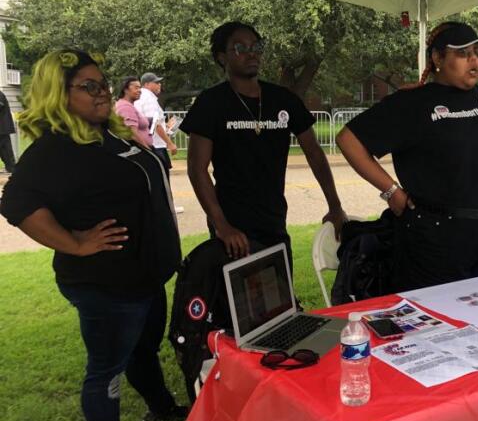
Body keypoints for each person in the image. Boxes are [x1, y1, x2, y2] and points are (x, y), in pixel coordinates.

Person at [0, 49, 186, 421]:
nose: (102, 92)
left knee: (142, 350)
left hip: (144, 276)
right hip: (106, 283)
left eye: (102, 83)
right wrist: (75, 242)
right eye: (88, 86)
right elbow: (15, 202)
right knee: (107, 370)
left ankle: (161, 406)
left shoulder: (109, 133)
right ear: (58, 93)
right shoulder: (56, 148)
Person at [336, 22, 478, 292]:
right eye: (462, 53)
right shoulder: (412, 103)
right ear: (437, 58)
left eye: (477, 52)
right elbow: (348, 140)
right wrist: (391, 192)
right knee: (441, 324)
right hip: (438, 238)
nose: (474, 60)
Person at [180, 21, 346, 263]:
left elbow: (314, 153)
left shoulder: (283, 100)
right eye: (240, 48)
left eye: (256, 46)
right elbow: (196, 168)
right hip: (232, 227)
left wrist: (335, 205)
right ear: (222, 57)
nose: (251, 53)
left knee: (280, 294)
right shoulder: (211, 103)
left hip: (274, 220)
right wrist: (221, 225)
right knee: (238, 297)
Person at [134, 72, 177, 175]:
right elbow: (154, 123)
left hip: (147, 144)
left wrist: (165, 126)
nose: (159, 84)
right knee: (161, 179)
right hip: (155, 146)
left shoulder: (141, 97)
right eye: (156, 82)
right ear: (147, 84)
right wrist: (170, 143)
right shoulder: (149, 99)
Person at [114, 76, 153, 148]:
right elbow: (132, 133)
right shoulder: (125, 107)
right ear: (125, 90)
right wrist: (148, 151)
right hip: (140, 151)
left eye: (140, 88)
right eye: (136, 88)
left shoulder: (128, 105)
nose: (140, 90)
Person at [0, 88, 16, 174]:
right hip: (2, 130)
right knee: (5, 151)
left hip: (2, 129)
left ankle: (12, 169)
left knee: (6, 152)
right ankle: (11, 168)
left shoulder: (0, 95)